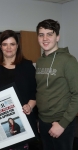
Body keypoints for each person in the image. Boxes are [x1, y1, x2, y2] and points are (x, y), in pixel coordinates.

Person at [0, 30, 38, 150]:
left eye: (12, 44)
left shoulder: (27, 66)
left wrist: (29, 106)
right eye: (5, 44)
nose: (8, 48)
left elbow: (35, 92)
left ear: (17, 46)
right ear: (0, 46)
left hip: (23, 122)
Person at [35, 19, 78, 150]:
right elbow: (41, 91)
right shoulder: (40, 61)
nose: (45, 38)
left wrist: (62, 124)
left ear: (57, 37)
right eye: (41, 34)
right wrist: (40, 120)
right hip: (43, 121)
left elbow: (76, 94)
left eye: (50, 34)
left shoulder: (68, 61)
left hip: (61, 122)